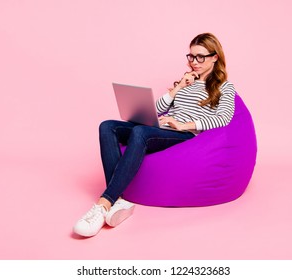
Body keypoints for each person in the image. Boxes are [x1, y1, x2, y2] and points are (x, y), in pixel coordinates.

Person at [73, 32, 236, 237]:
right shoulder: (186, 81)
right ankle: (120, 200)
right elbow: (158, 109)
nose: (194, 62)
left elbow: (224, 118)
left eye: (200, 57)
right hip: (164, 128)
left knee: (140, 132)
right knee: (107, 126)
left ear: (215, 57)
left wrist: (184, 125)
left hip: (185, 135)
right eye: (191, 56)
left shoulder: (225, 87)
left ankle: (104, 204)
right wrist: (177, 89)